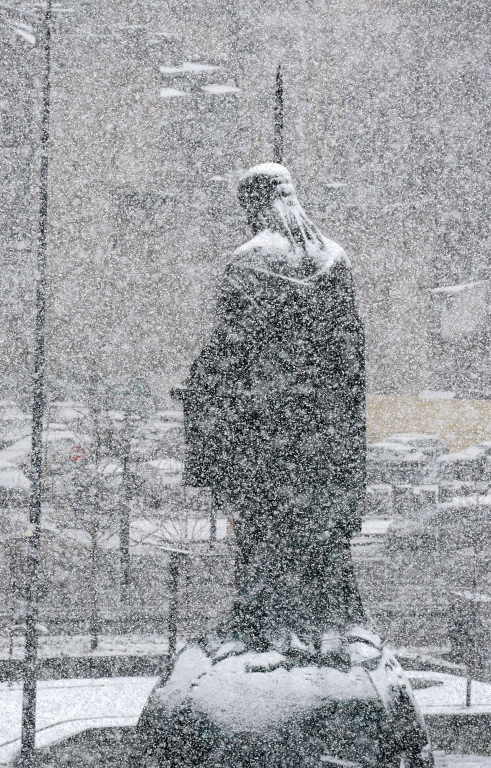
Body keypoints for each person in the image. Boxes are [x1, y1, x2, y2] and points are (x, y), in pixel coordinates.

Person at [177, 163, 367, 651]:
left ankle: (267, 621)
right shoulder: (337, 260)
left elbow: (231, 348)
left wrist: (200, 388)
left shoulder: (248, 262)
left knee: (264, 522)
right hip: (323, 427)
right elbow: (350, 354)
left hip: (265, 424)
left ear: (253, 206)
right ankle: (332, 621)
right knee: (321, 525)